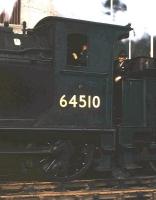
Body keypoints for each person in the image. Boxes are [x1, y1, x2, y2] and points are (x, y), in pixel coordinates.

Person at [113, 50, 128, 124]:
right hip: (115, 85)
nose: (120, 58)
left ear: (125, 58)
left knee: (120, 101)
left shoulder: (127, 65)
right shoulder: (115, 63)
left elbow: (128, 74)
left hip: (122, 86)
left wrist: (120, 77)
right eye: (120, 57)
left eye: (122, 57)